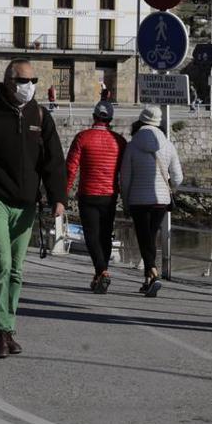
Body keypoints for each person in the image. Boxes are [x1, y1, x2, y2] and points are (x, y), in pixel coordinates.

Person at [0, 58, 67, 359]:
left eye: (32, 81)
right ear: (9, 81)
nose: (29, 87)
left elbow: (54, 161)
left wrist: (58, 197)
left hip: (27, 203)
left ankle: (9, 329)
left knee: (17, 270)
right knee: (2, 264)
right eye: (23, 81)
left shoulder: (41, 115)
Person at [118, 104, 182, 298]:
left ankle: (153, 273)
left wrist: (126, 200)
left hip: (138, 200)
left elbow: (125, 177)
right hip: (160, 201)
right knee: (150, 238)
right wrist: (170, 189)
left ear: (140, 120)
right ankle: (148, 280)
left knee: (144, 238)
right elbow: (178, 177)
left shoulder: (132, 145)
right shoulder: (168, 144)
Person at [66, 101, 127, 293]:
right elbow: (124, 172)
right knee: (105, 235)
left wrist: (63, 192)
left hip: (88, 194)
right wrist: (125, 196)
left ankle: (102, 271)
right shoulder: (119, 141)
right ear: (110, 120)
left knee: (91, 235)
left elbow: (71, 168)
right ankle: (100, 273)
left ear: (94, 116)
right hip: (110, 195)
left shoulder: (82, 138)